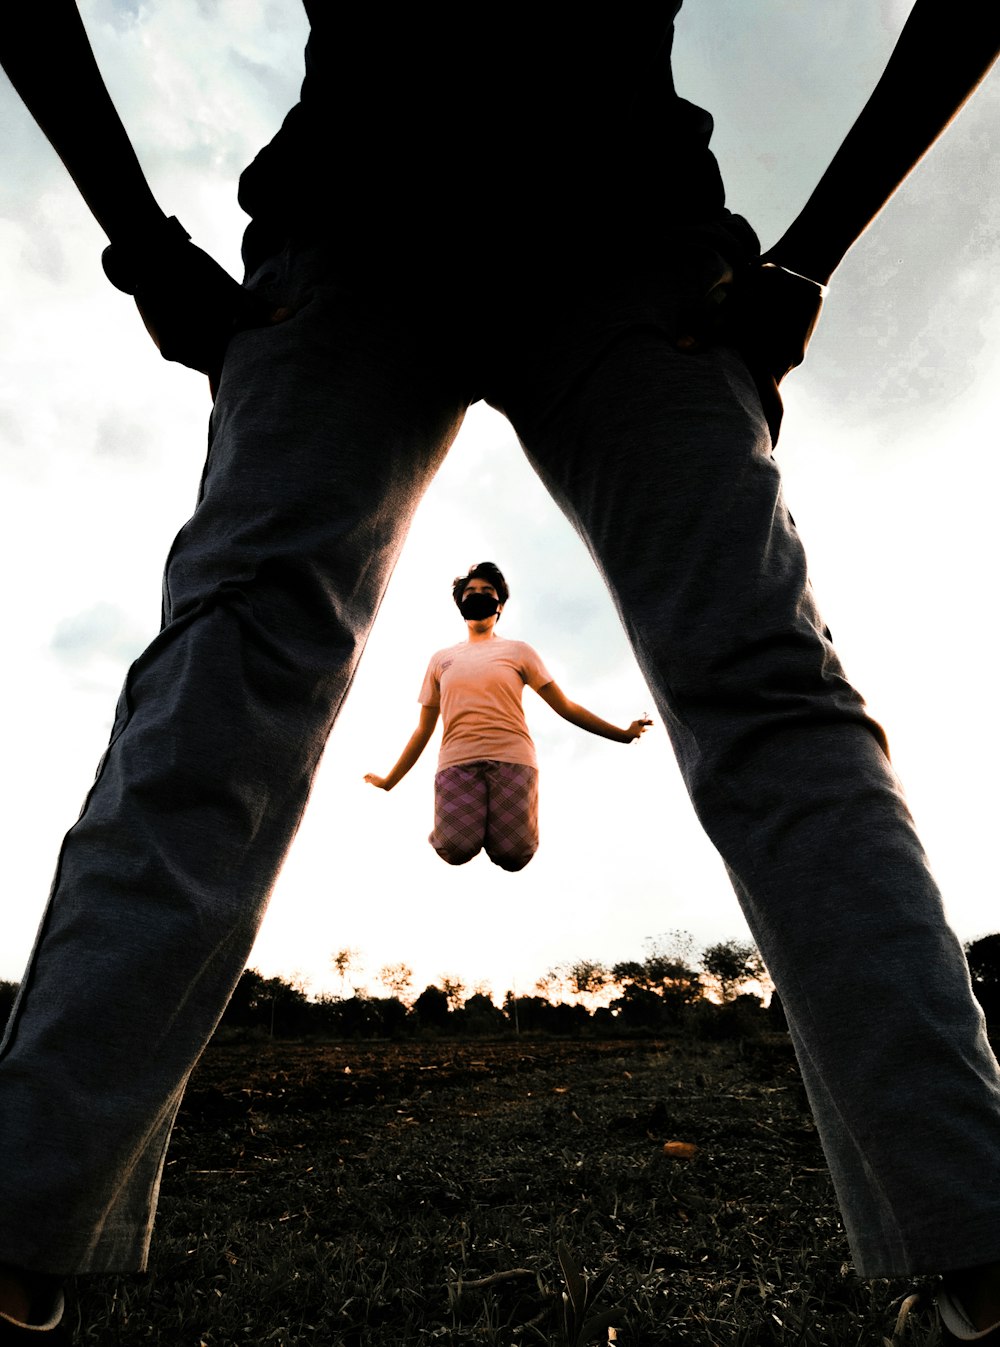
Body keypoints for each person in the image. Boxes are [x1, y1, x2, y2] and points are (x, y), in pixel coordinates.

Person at [0, 2, 999, 1342]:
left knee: (231, 676)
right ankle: (975, 1231)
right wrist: (807, 258)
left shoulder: (504, 651)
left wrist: (145, 241)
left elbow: (507, 697)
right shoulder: (479, 649)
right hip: (529, 233)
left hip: (467, 228)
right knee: (764, 691)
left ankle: (16, 1223)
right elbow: (439, 706)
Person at [364, 561, 650, 870]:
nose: (478, 595)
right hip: (457, 762)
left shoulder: (518, 652)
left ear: (499, 604)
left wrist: (624, 734)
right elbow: (423, 730)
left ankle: (495, 823)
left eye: (487, 591)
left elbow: (565, 706)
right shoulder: (441, 660)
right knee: (455, 848)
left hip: (513, 759)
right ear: (460, 603)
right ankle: (475, 817)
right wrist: (389, 781)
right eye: (470, 592)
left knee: (513, 856)